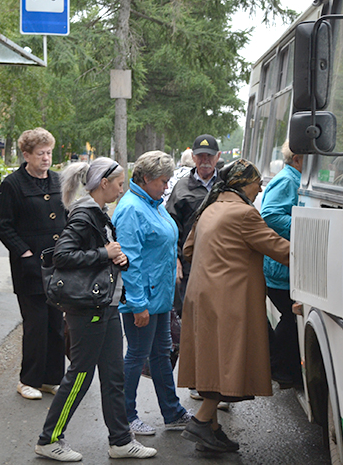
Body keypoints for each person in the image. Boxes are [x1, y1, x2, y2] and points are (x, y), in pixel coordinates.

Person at [34, 158, 157, 461]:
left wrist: (116, 258)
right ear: (104, 183)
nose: (121, 188)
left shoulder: (98, 213)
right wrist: (105, 252)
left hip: (105, 306)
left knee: (113, 376)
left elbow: (96, 256)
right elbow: (63, 255)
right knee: (80, 376)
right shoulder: (85, 214)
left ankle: (120, 441)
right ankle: (49, 439)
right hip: (89, 308)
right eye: (118, 183)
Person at [177, 160, 290, 453]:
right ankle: (201, 421)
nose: (261, 188)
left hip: (200, 296)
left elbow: (188, 250)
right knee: (227, 361)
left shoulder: (210, 208)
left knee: (209, 359)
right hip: (228, 299)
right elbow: (280, 250)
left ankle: (212, 431)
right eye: (257, 182)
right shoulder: (243, 214)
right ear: (242, 183)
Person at [112, 150, 192, 436]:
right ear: (145, 178)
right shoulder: (133, 209)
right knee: (136, 355)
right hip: (143, 299)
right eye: (162, 180)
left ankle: (172, 411)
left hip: (158, 297)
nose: (166, 186)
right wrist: (137, 304)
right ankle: (125, 415)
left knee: (160, 353)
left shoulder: (152, 202)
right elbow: (129, 261)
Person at [0, 127, 67, 400]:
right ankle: (28, 380)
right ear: (26, 155)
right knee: (36, 325)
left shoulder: (58, 180)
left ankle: (51, 378)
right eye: (40, 153)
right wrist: (23, 252)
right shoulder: (13, 184)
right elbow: (2, 224)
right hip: (30, 266)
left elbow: (67, 214)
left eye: (49, 152)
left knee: (56, 325)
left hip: (58, 264)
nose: (46, 158)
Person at [260, 142, 304, 388]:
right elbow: (270, 215)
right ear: (297, 159)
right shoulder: (288, 180)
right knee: (291, 316)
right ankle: (279, 368)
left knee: (291, 316)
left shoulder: (293, 177)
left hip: (286, 266)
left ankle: (282, 368)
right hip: (281, 268)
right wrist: (303, 227)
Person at [166, 134, 221, 318]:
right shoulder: (181, 188)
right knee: (191, 315)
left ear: (218, 157)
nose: (205, 161)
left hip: (222, 263)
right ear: (193, 158)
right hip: (191, 263)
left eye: (210, 156)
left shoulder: (227, 185)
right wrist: (176, 259)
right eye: (200, 156)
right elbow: (171, 228)